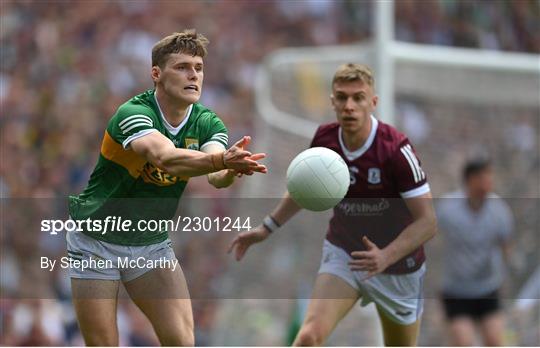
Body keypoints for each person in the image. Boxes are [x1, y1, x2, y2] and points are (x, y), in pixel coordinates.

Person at [67, 29, 267, 346]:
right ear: (156, 74)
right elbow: (165, 158)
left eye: (199, 68)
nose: (193, 76)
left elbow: (214, 171)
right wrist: (223, 162)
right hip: (96, 239)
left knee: (182, 341)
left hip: (150, 243)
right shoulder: (133, 114)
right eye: (183, 67)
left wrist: (230, 169)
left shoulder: (208, 123)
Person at [229, 63, 437, 346]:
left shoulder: (396, 150)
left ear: (372, 103)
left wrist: (386, 256)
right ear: (332, 102)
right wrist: (267, 228)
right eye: (342, 97)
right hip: (344, 253)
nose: (349, 106)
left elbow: (428, 222)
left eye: (358, 98)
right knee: (309, 337)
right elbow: (303, 190)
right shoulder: (325, 140)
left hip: (398, 266)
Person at [437, 159, 514, 346]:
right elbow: (428, 230)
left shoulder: (499, 211)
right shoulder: (448, 208)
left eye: (489, 177)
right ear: (469, 180)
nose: (487, 182)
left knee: (495, 339)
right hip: (457, 289)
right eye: (481, 177)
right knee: (464, 341)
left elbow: (506, 246)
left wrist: (504, 275)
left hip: (487, 287)